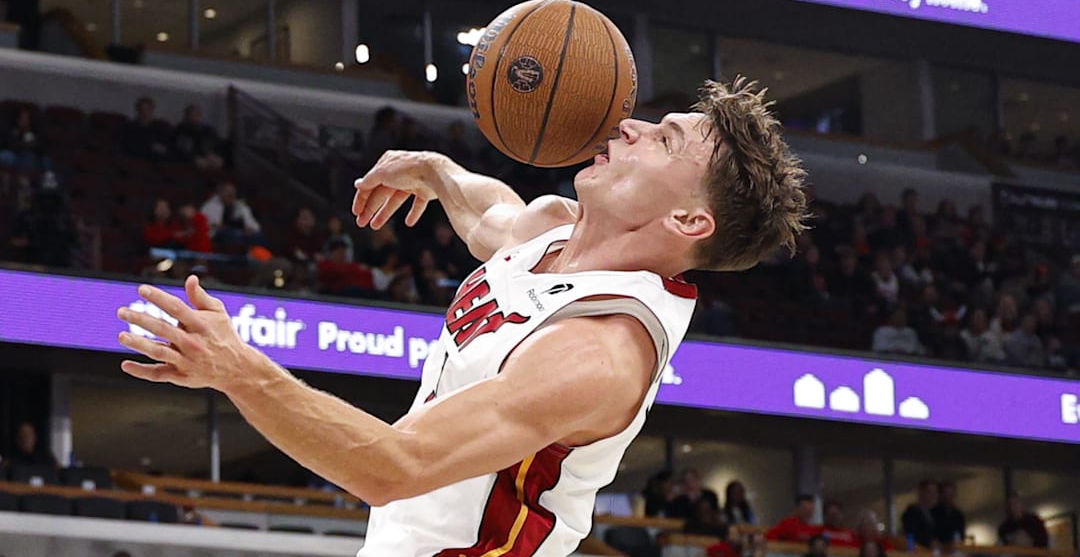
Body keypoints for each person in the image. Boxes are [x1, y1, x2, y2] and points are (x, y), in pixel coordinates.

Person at [113, 77, 808, 556]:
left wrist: (242, 374)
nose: (629, 125)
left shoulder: (598, 352)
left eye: (663, 139)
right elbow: (490, 213)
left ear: (688, 218)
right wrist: (437, 171)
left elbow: (395, 465)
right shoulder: (551, 230)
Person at [171, 105, 224, 170]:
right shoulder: (180, 131)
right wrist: (194, 159)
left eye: (196, 115)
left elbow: (218, 146)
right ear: (186, 117)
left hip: (209, 161)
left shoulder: (209, 131)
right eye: (191, 115)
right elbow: (177, 151)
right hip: (188, 165)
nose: (194, 118)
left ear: (200, 116)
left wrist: (215, 156)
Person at [901, 479, 938, 548]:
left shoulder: (931, 513)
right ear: (921, 492)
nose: (933, 496)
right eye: (929, 492)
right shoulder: (911, 513)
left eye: (934, 493)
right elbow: (911, 537)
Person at [932, 481, 966, 547]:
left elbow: (960, 535)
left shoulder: (958, 515)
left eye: (951, 493)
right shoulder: (932, 513)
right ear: (940, 494)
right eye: (946, 493)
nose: (949, 497)